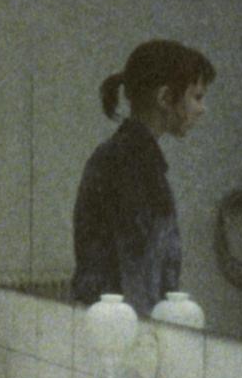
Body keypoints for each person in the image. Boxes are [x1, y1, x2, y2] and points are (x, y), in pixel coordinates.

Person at [71, 39, 215, 316]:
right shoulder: (131, 163)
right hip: (123, 325)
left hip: (109, 320)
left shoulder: (123, 156)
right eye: (196, 97)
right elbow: (139, 271)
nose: (202, 109)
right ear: (165, 98)